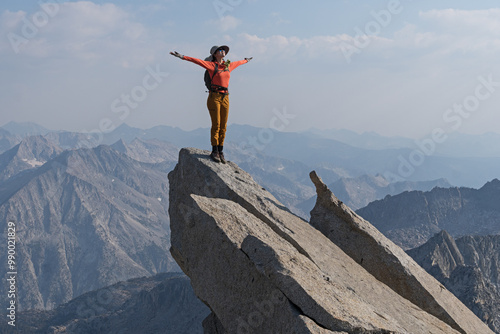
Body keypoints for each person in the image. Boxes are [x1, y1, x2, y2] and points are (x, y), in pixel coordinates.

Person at [170, 46, 252, 163]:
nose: (223, 52)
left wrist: (246, 60)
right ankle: (214, 151)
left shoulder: (228, 66)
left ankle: (220, 151)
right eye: (220, 50)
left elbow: (238, 63)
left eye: (224, 50)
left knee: (224, 126)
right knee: (216, 124)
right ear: (215, 54)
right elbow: (196, 61)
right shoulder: (212, 66)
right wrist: (182, 57)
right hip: (214, 97)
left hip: (225, 97)